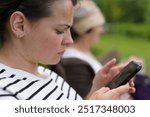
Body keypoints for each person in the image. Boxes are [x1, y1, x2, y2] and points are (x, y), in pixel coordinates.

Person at [0, 0, 135, 100]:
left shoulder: (47, 74)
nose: (69, 40)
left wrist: (96, 90)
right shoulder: (5, 90)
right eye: (60, 30)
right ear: (20, 25)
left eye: (69, 29)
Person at [51, 0, 110, 98]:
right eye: (99, 25)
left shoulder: (83, 52)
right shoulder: (74, 65)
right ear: (86, 29)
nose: (101, 30)